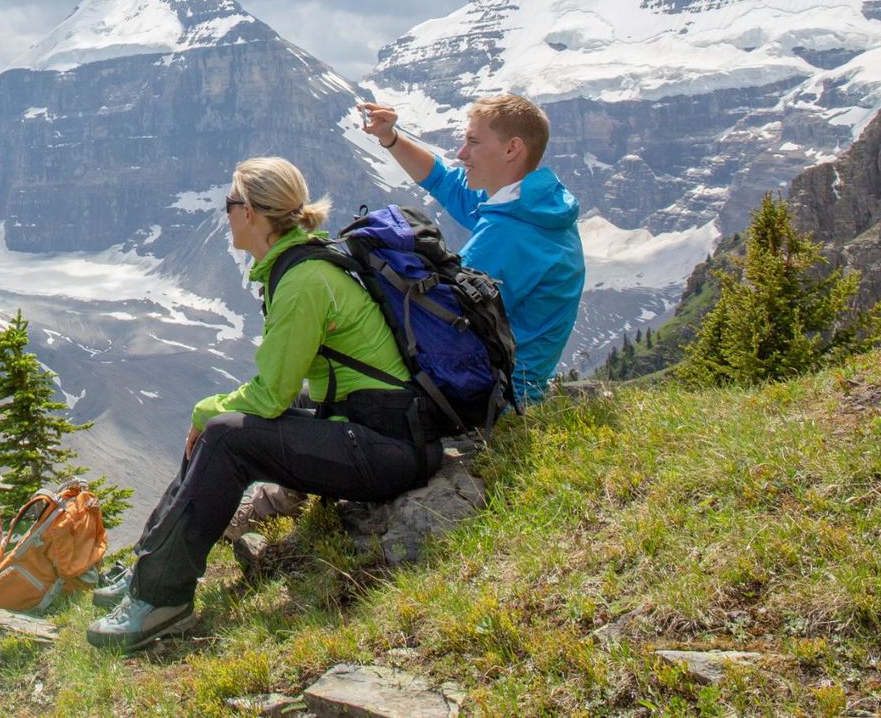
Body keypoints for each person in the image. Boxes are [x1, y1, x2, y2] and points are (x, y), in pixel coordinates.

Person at [86, 156, 444, 651]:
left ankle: (161, 602)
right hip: (378, 431)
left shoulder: (301, 282)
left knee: (226, 436)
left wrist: (202, 412)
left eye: (230, 203)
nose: (227, 213)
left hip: (385, 445)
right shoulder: (299, 265)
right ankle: (148, 572)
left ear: (250, 213)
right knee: (221, 426)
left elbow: (271, 394)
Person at [357, 93, 584, 403]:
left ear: (511, 148)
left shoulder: (512, 234)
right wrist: (390, 137)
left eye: (474, 143)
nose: (462, 154)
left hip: (487, 398)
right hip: (494, 382)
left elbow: (447, 316)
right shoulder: (526, 203)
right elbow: (443, 182)